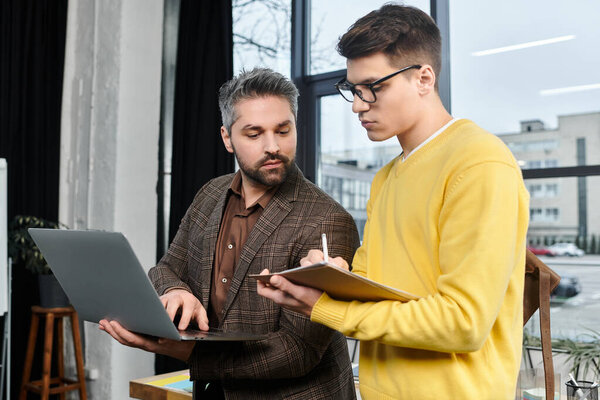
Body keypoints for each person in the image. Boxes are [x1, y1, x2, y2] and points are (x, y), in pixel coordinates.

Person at [257, 4, 529, 399]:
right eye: (352, 89)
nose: (357, 104)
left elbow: (463, 322)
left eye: (374, 87)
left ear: (423, 78)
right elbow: (378, 287)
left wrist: (327, 308)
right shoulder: (386, 177)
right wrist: (333, 275)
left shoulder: (479, 163)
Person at [99, 68, 360, 399]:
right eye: (254, 134)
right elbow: (167, 268)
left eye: (283, 130)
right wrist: (177, 290)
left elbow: (297, 351)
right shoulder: (210, 193)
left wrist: (191, 354)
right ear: (227, 137)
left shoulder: (328, 219)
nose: (273, 146)